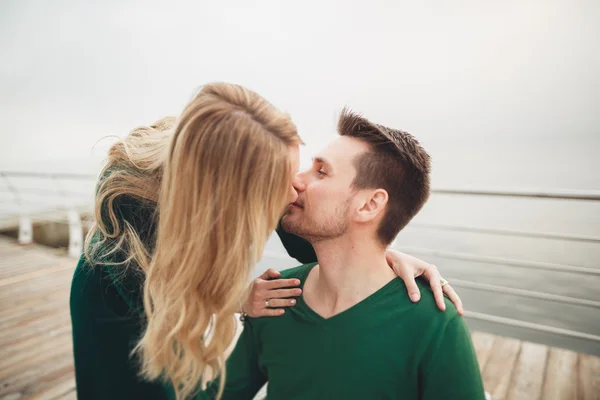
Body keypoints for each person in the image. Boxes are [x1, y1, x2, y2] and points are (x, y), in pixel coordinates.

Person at [70, 83, 462, 400]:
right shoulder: (112, 274)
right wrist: (230, 299)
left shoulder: (431, 322)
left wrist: (385, 253)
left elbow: (332, 239)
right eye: (285, 179)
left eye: (314, 170)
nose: (297, 185)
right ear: (236, 196)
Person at [200, 109, 485, 399]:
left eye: (321, 172)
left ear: (370, 204)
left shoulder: (434, 324)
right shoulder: (272, 296)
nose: (295, 181)